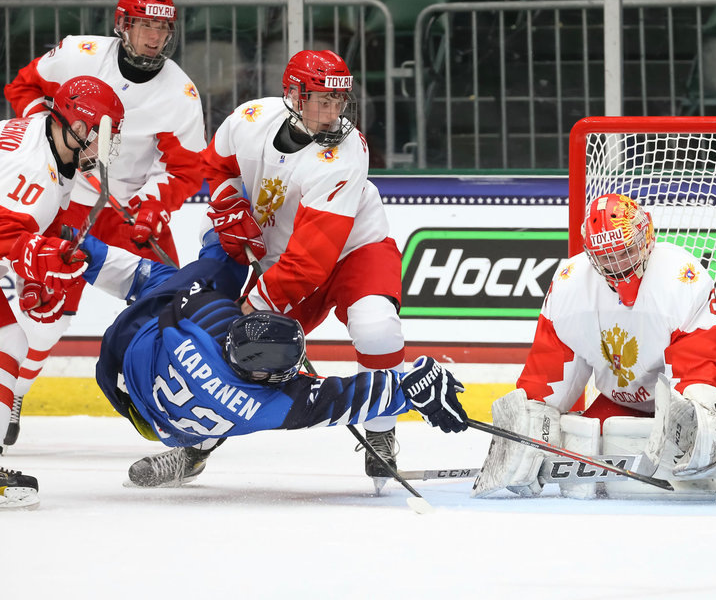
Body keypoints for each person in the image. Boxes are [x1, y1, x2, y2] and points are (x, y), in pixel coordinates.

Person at [72, 230, 466, 488]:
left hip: (121, 369)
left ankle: (194, 451)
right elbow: (346, 398)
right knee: (196, 270)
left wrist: (74, 245)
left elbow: (156, 283)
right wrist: (414, 387)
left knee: (209, 263)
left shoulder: (203, 315)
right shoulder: (269, 405)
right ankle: (195, 447)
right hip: (150, 400)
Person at [1, 0, 206, 449]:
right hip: (67, 199)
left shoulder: (181, 93)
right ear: (123, 24)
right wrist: (47, 146)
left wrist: (154, 204)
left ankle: (193, 420)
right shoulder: (79, 54)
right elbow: (25, 86)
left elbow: (186, 167)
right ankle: (14, 394)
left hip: (126, 206)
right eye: (145, 24)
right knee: (48, 309)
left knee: (173, 301)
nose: (154, 37)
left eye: (162, 27)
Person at [200, 49, 406, 482]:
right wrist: (227, 201)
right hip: (285, 255)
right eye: (321, 101)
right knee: (240, 350)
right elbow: (216, 167)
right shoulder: (249, 119)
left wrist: (255, 303)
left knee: (377, 326)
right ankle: (196, 442)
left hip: (354, 250)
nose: (332, 115)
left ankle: (381, 429)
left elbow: (312, 260)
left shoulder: (346, 154)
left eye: (339, 102)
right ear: (292, 94)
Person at [473, 193, 716, 498]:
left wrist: (701, 411)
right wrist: (524, 435)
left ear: (647, 234)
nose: (618, 264)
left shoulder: (680, 277)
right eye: (607, 257)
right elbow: (547, 380)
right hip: (631, 401)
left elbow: (701, 366)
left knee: (697, 438)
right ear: (590, 255)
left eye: (625, 251)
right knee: (582, 445)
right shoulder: (569, 287)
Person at [0, 75, 125, 509]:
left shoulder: (51, 141)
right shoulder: (32, 167)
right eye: (100, 134)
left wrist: (47, 249)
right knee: (11, 338)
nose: (103, 146)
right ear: (77, 124)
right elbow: (6, 231)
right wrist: (41, 253)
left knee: (13, 335)